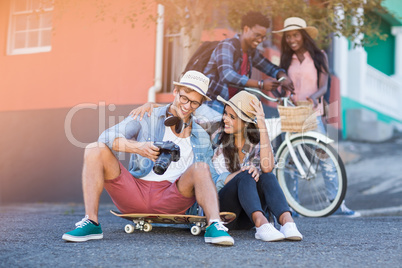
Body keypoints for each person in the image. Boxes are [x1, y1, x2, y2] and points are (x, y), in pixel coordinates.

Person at [62, 71, 235, 246]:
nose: (187, 106)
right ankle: (91, 223)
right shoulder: (146, 115)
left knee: (201, 168)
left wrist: (238, 177)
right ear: (175, 91)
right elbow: (106, 137)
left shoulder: (201, 136)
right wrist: (139, 147)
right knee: (95, 149)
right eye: (184, 98)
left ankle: (214, 225)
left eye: (194, 102)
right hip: (134, 192)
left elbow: (210, 177)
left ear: (200, 104)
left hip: (173, 197)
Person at [273, 17, 360, 217]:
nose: (291, 39)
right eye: (288, 36)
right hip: (292, 114)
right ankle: (291, 205)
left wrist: (314, 97)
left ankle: (336, 203)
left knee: (325, 156)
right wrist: (281, 97)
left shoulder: (319, 56)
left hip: (313, 114)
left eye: (295, 35)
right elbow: (282, 86)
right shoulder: (286, 60)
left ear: (303, 35)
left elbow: (323, 85)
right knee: (290, 160)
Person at [211, 91, 303, 241]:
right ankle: (261, 224)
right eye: (225, 113)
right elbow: (214, 182)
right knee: (247, 174)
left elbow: (267, 168)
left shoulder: (255, 143)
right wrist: (243, 173)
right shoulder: (218, 138)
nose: (225, 119)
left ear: (246, 123)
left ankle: (287, 222)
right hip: (224, 211)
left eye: (232, 117)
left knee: (267, 176)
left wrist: (261, 123)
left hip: (246, 217)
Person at [194, 11, 295, 122]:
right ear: (246, 29)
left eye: (263, 37)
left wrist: (283, 76)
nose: (260, 40)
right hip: (211, 105)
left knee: (251, 130)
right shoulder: (227, 45)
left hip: (230, 107)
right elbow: (227, 75)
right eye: (257, 35)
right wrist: (260, 84)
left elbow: (269, 67)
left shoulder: (251, 52)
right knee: (218, 137)